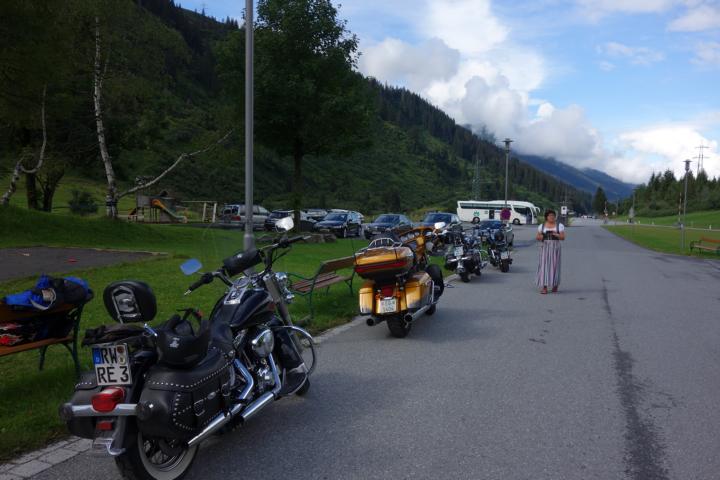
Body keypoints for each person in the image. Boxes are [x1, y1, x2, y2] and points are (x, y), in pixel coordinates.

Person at [536, 209, 565, 294]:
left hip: (555, 247)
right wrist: (544, 236)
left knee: (555, 266)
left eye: (553, 215)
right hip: (545, 246)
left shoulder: (559, 226)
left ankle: (555, 285)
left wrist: (557, 235)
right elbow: (537, 237)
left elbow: (563, 237)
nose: (552, 217)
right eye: (550, 215)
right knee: (544, 266)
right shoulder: (542, 226)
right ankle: (544, 287)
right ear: (546, 217)